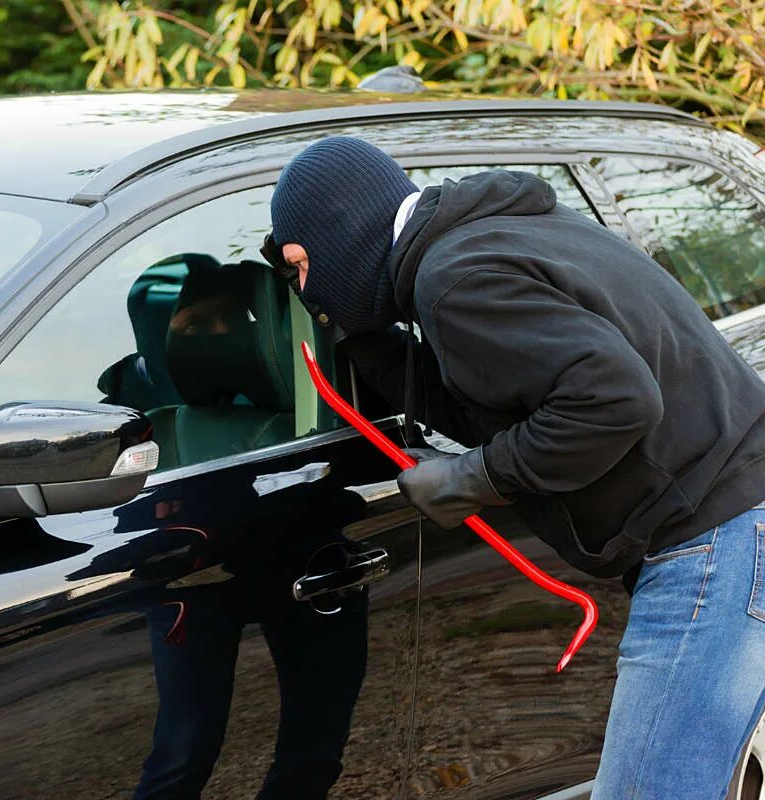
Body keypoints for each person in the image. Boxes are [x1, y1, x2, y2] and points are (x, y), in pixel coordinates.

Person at [263, 135, 765, 800]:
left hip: (712, 545)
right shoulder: (495, 234)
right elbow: (502, 393)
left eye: (300, 266)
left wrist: (474, 479)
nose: (304, 288)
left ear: (339, 233)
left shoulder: (456, 277)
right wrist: (370, 345)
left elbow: (614, 400)